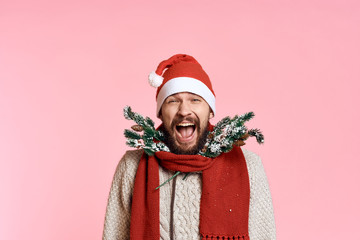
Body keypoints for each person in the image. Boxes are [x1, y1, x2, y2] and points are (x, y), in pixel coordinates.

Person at [102, 54, 276, 240]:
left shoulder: (249, 166)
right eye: (173, 101)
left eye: (195, 100)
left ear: (210, 111)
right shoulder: (132, 166)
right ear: (160, 112)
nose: (184, 111)